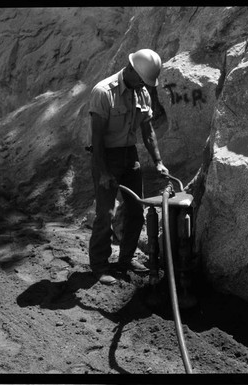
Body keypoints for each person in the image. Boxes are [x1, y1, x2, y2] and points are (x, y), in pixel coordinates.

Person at [87, 49, 169, 285]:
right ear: (131, 69)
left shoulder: (141, 93)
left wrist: (158, 162)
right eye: (142, 80)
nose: (145, 86)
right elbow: (97, 139)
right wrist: (102, 172)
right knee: (106, 213)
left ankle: (125, 259)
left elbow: (147, 130)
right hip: (105, 156)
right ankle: (100, 266)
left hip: (129, 156)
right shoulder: (103, 92)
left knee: (136, 211)